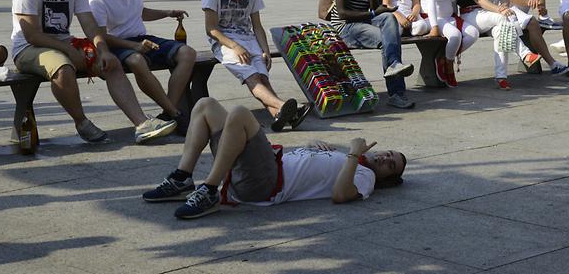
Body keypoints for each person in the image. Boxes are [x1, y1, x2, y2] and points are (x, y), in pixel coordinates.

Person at [11, 0, 176, 143]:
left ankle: (142, 123)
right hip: (28, 48)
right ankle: (82, 122)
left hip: (62, 43)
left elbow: (90, 26)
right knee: (62, 67)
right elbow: (32, 35)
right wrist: (68, 49)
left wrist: (103, 50)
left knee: (111, 62)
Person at [142, 97, 406, 219]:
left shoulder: (366, 177)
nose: (385, 158)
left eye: (390, 164)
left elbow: (340, 194)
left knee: (240, 114)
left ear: (387, 178)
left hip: (267, 182)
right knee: (205, 105)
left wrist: (352, 153)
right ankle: (182, 178)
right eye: (389, 153)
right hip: (267, 168)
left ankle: (210, 189)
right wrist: (312, 148)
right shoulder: (353, 162)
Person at [88, 0, 198, 134]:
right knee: (137, 60)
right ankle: (176, 114)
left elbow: (139, 12)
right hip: (116, 44)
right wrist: (133, 46)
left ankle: (168, 113)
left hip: (141, 38)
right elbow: (100, 35)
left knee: (188, 53)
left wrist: (168, 12)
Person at [202, 0, 311, 131]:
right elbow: (211, 29)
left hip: (248, 39)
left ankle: (279, 116)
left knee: (262, 77)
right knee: (252, 77)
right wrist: (235, 46)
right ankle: (285, 107)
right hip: (225, 43)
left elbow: (257, 26)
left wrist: (265, 50)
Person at [326, 0, 415, 108]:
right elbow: (342, 13)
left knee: (389, 17)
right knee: (386, 40)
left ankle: (394, 67)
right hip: (344, 26)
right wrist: (372, 13)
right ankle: (397, 92)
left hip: (365, 21)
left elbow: (375, 9)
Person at [420, 0, 478, 88]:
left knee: (473, 33)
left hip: (449, 16)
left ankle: (444, 58)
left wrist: (457, 18)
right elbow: (431, 4)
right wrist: (434, 26)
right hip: (434, 17)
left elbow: (453, 3)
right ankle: (449, 66)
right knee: (455, 36)